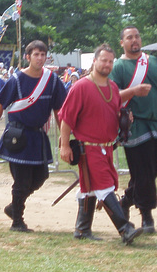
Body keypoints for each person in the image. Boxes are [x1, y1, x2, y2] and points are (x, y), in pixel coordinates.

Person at [59, 44, 143, 245]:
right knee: (104, 186)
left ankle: (82, 229)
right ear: (94, 61)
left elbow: (112, 110)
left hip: (106, 146)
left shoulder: (113, 87)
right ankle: (125, 229)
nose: (107, 64)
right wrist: (64, 145)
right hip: (88, 147)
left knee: (89, 188)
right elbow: (67, 119)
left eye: (110, 61)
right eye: (103, 60)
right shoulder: (81, 86)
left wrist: (124, 119)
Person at [0, 40, 67, 232]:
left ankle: (14, 207)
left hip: (38, 136)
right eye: (36, 54)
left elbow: (59, 110)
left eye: (43, 54)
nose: (40, 58)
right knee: (21, 181)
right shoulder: (17, 80)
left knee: (41, 176)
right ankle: (17, 221)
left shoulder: (52, 80)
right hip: (18, 136)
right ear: (28, 57)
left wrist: (64, 135)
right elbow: (0, 105)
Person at [109, 26, 157, 233]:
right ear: (122, 43)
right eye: (129, 37)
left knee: (151, 172)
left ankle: (125, 201)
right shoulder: (118, 67)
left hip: (156, 126)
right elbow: (112, 97)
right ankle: (147, 215)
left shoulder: (153, 62)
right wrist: (133, 91)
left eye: (136, 36)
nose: (134, 40)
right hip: (134, 127)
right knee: (143, 173)